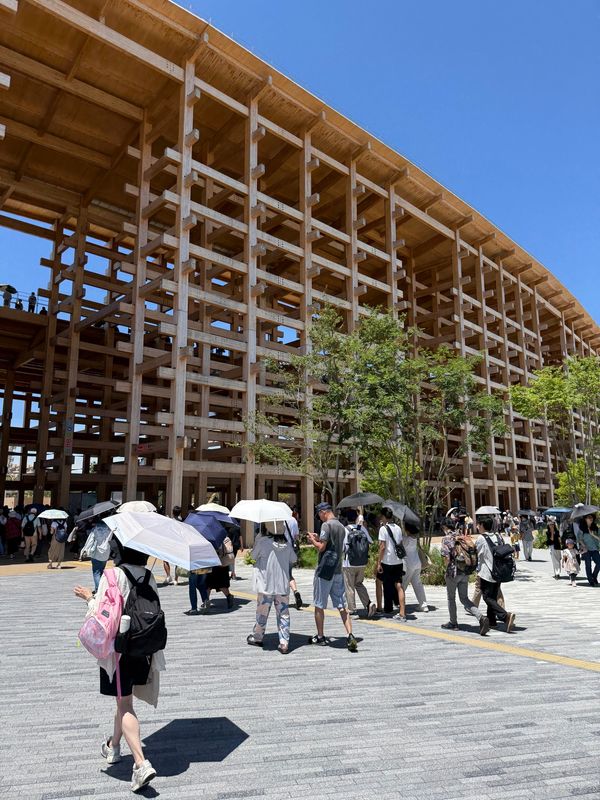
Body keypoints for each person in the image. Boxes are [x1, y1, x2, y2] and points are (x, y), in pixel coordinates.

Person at [74, 539, 164, 793]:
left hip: (120, 651)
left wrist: (88, 597)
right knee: (123, 700)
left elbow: (103, 615)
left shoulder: (113, 575)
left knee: (124, 704)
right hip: (144, 648)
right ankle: (114, 746)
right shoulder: (148, 576)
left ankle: (140, 764)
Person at [306, 502, 358, 651]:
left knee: (319, 604)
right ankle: (350, 635)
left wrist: (312, 541)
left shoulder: (326, 526)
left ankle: (321, 636)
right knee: (341, 605)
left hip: (324, 571)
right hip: (337, 570)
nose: (320, 518)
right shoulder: (342, 527)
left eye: (319, 514)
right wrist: (319, 538)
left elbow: (322, 547)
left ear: (323, 512)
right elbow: (334, 544)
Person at [247, 522, 296, 653]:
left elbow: (252, 556)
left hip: (265, 585)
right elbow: (294, 559)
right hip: (282, 585)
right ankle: (284, 643)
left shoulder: (263, 542)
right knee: (283, 614)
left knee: (262, 612)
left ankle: (258, 636)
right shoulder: (286, 544)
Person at [440, 518, 489, 634]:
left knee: (451, 598)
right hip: (465, 571)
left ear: (445, 527)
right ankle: (480, 616)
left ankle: (453, 622)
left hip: (453, 572)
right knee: (464, 598)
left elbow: (446, 558)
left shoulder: (446, 539)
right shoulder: (461, 535)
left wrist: (446, 569)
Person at [475, 518, 516, 632]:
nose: (477, 527)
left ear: (482, 525)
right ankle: (492, 621)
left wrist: (476, 569)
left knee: (487, 597)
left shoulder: (481, 538)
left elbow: (477, 554)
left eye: (478, 525)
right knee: (492, 597)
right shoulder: (498, 536)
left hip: (487, 572)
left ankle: (505, 616)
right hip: (499, 571)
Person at [342, 513, 376, 619]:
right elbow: (370, 541)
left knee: (349, 586)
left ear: (346, 519)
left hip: (349, 563)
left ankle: (352, 610)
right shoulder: (362, 529)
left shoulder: (345, 529)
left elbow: (343, 547)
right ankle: (368, 604)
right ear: (356, 518)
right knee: (359, 584)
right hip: (362, 562)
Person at [376, 508, 406, 621]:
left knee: (378, 581)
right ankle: (402, 612)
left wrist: (379, 562)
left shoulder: (383, 529)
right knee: (399, 585)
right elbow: (400, 543)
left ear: (384, 516)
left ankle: (379, 608)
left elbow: (382, 547)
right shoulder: (398, 528)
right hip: (398, 561)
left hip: (387, 561)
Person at [401, 521, 429, 614]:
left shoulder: (405, 539)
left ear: (407, 529)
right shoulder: (415, 538)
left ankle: (399, 604)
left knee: (403, 585)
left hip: (409, 564)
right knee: (418, 584)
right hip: (417, 563)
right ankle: (423, 605)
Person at [80, 516, 113, 590]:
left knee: (96, 572)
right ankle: (99, 588)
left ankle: (98, 589)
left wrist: (85, 549)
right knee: (101, 571)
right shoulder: (109, 530)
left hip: (96, 552)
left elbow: (90, 540)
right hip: (105, 553)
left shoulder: (95, 529)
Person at [283, 517, 303, 610]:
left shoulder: (279, 520)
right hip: (291, 550)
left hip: (281, 550)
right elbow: (296, 536)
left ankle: (283, 597)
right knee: (289, 574)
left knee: (281, 575)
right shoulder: (294, 520)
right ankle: (295, 591)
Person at [576, 514, 600, 586]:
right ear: (585, 519)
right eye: (589, 517)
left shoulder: (596, 528)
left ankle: (594, 576)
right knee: (588, 565)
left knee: (599, 563)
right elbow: (579, 539)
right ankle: (590, 580)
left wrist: (592, 534)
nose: (591, 519)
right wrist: (584, 546)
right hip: (586, 549)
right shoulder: (582, 529)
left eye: (592, 517)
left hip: (595, 549)